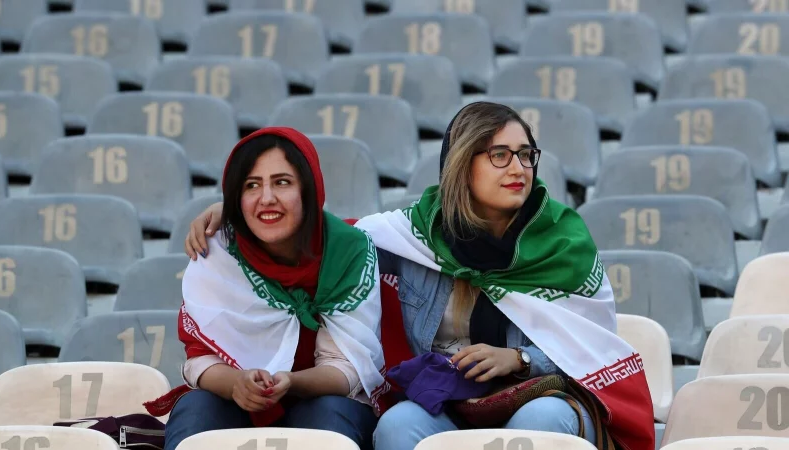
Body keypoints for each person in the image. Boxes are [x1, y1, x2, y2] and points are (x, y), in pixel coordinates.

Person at [184, 103, 655, 450]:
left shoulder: (564, 245)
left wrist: (519, 359)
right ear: (462, 164)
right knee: (398, 425)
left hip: (543, 398)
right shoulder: (413, 236)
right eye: (499, 155)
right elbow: (326, 238)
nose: (518, 168)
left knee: (542, 419)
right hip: (448, 402)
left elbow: (590, 349)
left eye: (525, 154)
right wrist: (239, 214)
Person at [153, 127, 390, 450]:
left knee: (329, 414)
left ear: (309, 189)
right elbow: (199, 360)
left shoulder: (346, 250)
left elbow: (346, 369)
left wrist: (290, 381)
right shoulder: (219, 249)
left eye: (282, 182)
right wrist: (236, 383)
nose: (266, 198)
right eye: (251, 185)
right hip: (237, 397)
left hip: (322, 396)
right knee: (198, 408)